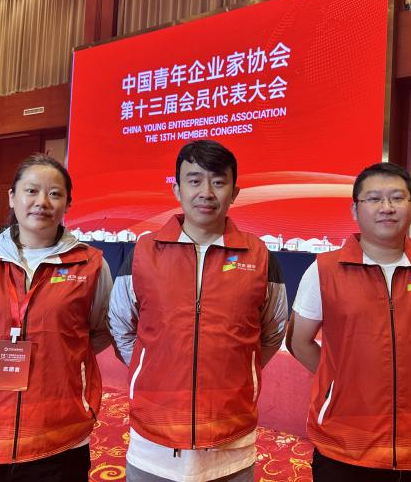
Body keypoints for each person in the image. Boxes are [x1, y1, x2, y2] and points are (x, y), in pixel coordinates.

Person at [109, 139, 288, 482]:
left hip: (230, 441)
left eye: (218, 182)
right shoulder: (144, 252)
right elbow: (120, 325)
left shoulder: (260, 257)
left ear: (234, 192)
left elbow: (272, 332)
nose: (206, 192)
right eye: (194, 181)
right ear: (177, 190)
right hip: (153, 440)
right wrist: (152, 367)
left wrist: (237, 369)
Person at [0, 153, 113, 482]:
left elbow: (101, 332)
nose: (42, 202)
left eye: (54, 193)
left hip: (59, 433)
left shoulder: (91, 265)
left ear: (68, 203)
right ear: (12, 197)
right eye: (31, 191)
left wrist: (60, 361)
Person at [286, 162, 411, 482]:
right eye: (374, 199)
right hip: (343, 443)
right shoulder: (324, 270)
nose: (387, 207)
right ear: (355, 210)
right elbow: (299, 342)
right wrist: (340, 381)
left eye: (397, 198)